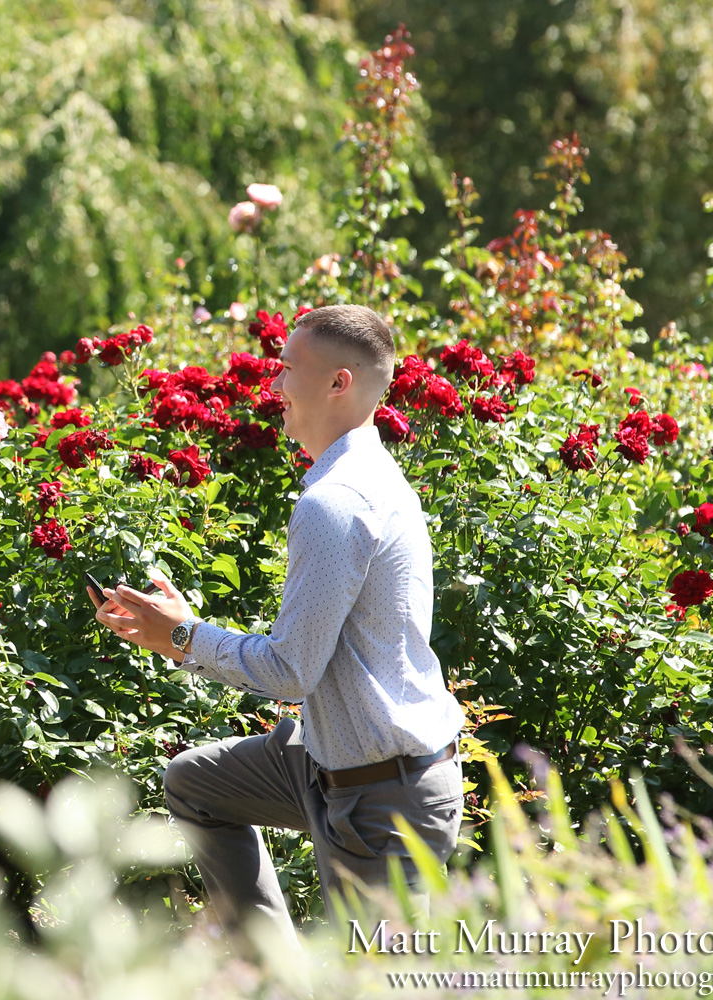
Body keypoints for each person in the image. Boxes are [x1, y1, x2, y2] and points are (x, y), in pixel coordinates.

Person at [92, 304, 465, 948]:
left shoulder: (336, 501)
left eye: (287, 370)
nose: (276, 386)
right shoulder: (364, 475)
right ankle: (273, 975)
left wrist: (181, 637)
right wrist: (184, 633)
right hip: (330, 764)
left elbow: (290, 671)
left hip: (385, 800)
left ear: (338, 383)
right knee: (194, 782)